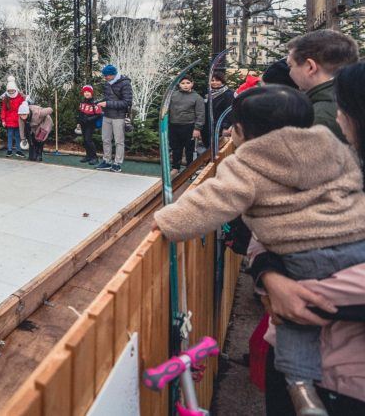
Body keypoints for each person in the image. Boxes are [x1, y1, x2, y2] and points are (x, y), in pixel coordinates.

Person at [153, 85, 365, 416]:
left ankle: (300, 388)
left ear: (239, 131)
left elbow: (212, 202)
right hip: (355, 244)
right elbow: (352, 186)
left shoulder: (249, 162)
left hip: (303, 257)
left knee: (294, 320)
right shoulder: (332, 147)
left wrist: (167, 222)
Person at [252, 62, 365, 415]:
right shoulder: (339, 162)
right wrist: (270, 277)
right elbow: (271, 222)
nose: (338, 117)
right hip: (292, 359)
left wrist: (297, 294)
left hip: (350, 383)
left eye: (342, 107)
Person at [287, 29, 360, 142]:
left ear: (310, 67)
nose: (289, 72)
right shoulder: (354, 100)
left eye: (290, 65)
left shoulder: (317, 119)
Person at [95, 64, 132, 173]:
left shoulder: (125, 83)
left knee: (119, 141)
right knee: (105, 139)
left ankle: (117, 163)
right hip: (107, 115)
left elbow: (127, 102)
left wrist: (107, 104)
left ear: (114, 74)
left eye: (108, 76)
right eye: (104, 76)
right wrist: (99, 102)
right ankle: (106, 161)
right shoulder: (107, 83)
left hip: (119, 117)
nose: (105, 78)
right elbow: (107, 98)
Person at [167, 74, 205, 170]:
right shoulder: (173, 95)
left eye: (188, 83)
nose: (185, 85)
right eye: (183, 83)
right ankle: (175, 168)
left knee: (189, 149)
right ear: (179, 84)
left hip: (189, 127)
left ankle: (190, 169)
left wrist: (197, 128)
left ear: (192, 84)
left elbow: (200, 114)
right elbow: (166, 110)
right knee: (175, 148)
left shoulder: (197, 97)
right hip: (174, 126)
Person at [203, 71, 235, 146]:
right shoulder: (207, 93)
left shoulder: (228, 94)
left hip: (219, 127)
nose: (214, 82)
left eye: (217, 80)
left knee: (219, 148)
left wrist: (225, 127)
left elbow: (229, 112)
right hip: (207, 127)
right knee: (208, 148)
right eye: (212, 80)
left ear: (222, 81)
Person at [0, 76, 28, 157]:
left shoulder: (20, 97)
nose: (11, 92)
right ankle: (9, 150)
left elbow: (24, 106)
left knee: (18, 136)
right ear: (7, 90)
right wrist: (3, 120)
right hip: (9, 121)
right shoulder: (6, 99)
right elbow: (3, 110)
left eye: (12, 90)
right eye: (9, 91)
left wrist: (25, 98)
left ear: (15, 89)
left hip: (18, 120)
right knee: (10, 136)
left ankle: (18, 150)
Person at [77, 85, 102, 165]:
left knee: (88, 140)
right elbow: (80, 112)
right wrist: (79, 122)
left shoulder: (95, 103)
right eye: (85, 92)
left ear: (91, 93)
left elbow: (98, 114)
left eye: (88, 92)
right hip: (83, 124)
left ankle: (94, 157)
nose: (87, 93)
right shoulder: (82, 102)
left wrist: (89, 119)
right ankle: (88, 156)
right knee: (85, 140)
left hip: (90, 124)